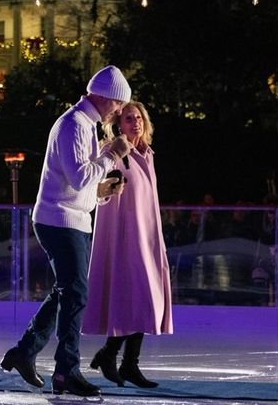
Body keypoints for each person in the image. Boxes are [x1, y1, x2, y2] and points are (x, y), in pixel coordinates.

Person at [0, 65, 132, 397]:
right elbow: (79, 177)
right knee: (76, 293)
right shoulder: (73, 124)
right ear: (104, 96)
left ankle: (25, 352)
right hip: (59, 221)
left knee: (66, 291)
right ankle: (66, 371)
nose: (118, 111)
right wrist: (110, 154)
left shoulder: (85, 125)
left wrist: (100, 192)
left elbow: (79, 183)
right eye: (118, 103)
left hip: (70, 218)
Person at [82, 100, 173, 388]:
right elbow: (100, 193)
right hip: (126, 238)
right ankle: (119, 359)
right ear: (118, 124)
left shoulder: (147, 154)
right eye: (129, 119)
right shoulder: (112, 152)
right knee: (137, 299)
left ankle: (117, 358)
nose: (135, 123)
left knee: (144, 301)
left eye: (139, 118)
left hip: (148, 238)